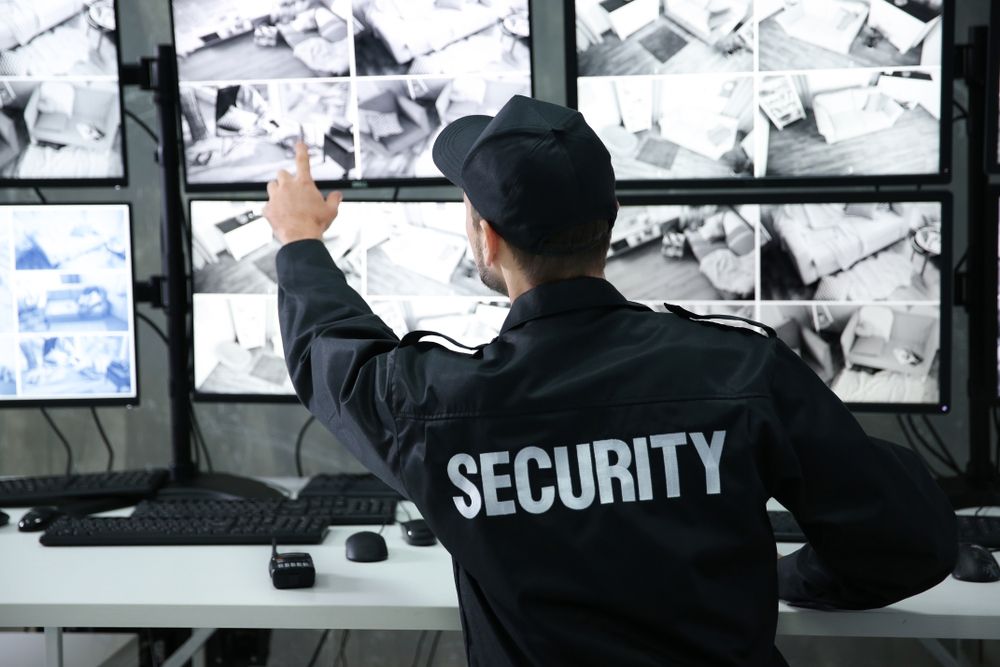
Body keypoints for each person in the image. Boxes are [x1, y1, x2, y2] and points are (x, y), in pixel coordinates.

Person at [263, 96, 957, 667]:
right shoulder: (742, 370)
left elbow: (332, 354)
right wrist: (786, 580)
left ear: (487, 240)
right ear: (608, 222)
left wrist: (300, 240)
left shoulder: (437, 403)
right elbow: (911, 541)